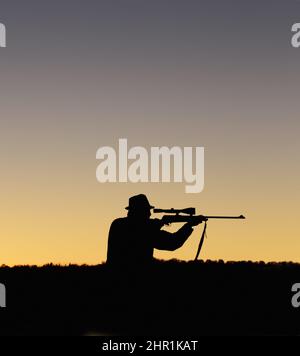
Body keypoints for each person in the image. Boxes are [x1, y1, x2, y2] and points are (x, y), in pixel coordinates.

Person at [106, 194, 203, 267]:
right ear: (139, 211)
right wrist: (189, 225)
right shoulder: (131, 227)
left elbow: (171, 241)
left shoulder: (117, 224)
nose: (149, 214)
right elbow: (173, 243)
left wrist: (188, 225)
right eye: (146, 211)